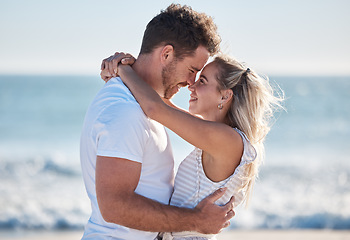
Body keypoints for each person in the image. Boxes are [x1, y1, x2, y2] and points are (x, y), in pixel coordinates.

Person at [80, 4, 235, 240]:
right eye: (192, 70)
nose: (191, 83)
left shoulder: (142, 103)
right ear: (166, 54)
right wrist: (197, 220)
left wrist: (123, 69)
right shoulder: (125, 110)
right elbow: (114, 205)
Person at [101, 53, 283, 239]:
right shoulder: (217, 136)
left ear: (225, 96)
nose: (192, 86)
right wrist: (129, 73)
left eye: (202, 81)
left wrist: (122, 68)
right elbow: (159, 101)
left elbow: (155, 108)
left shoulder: (228, 140)